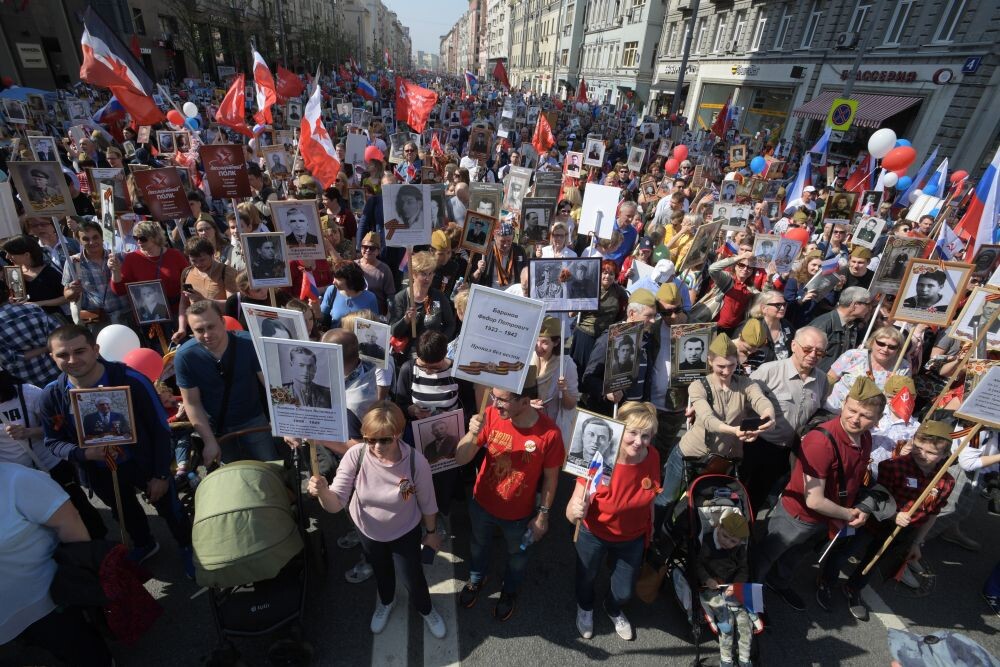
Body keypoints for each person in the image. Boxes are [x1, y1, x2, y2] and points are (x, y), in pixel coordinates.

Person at [40, 325, 193, 573]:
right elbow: (52, 441)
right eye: (63, 355)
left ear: (95, 349)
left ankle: (187, 546)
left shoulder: (131, 380)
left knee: (170, 508)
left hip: (143, 462)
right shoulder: (52, 395)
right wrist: (84, 453)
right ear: (52, 357)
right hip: (99, 470)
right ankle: (144, 544)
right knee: (124, 513)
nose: (72, 360)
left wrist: (161, 474)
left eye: (80, 351)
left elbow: (160, 429)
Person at [306, 401, 447, 638]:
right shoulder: (355, 455)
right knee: (382, 572)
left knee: (413, 577)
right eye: (370, 439)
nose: (377, 446)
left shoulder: (416, 462)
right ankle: (387, 601)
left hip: (405, 530)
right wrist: (323, 492)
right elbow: (335, 504)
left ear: (399, 433)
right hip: (368, 531)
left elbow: (428, 502)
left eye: (385, 440)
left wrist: (431, 533)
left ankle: (426, 608)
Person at [754, 377, 884, 612]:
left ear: (878, 419)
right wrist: (849, 514)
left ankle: (777, 582)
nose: (855, 419)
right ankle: (750, 600)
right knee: (766, 556)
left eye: (865, 415)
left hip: (828, 516)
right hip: (798, 517)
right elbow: (813, 499)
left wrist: (860, 508)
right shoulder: (821, 441)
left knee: (797, 554)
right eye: (852, 410)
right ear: (844, 403)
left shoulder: (865, 437)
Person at [452, 369, 564, 621]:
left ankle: (510, 590)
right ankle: (477, 577)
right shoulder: (490, 415)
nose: (495, 404)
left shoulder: (550, 434)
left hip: (519, 515)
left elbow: (551, 478)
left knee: (517, 556)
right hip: (481, 504)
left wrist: (543, 516)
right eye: (493, 396)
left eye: (502, 399)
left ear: (525, 401)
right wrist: (472, 433)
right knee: (478, 545)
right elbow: (460, 459)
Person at [841, 421, 957, 621]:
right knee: (847, 550)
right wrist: (894, 515)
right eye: (918, 447)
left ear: (946, 455)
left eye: (930, 452)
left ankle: (853, 588)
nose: (922, 454)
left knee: (874, 561)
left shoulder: (946, 481)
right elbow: (877, 497)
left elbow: (932, 514)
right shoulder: (894, 466)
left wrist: (917, 542)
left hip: (902, 532)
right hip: (874, 522)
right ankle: (825, 580)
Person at [0, 463, 114, 666]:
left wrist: (85, 584)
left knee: (81, 651)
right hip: (7, 621)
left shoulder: (18, 480)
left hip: (47, 603)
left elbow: (70, 522)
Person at [566, 402, 661, 641]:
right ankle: (585, 607)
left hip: (632, 537)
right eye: (633, 432)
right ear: (619, 429)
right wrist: (575, 510)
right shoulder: (599, 458)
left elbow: (651, 496)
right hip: (594, 533)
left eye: (646, 436)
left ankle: (612, 606)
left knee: (624, 591)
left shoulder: (653, 456)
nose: (638, 442)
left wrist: (651, 527)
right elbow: (571, 509)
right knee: (586, 577)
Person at [660, 334, 776, 504]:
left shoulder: (746, 384)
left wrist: (768, 415)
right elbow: (708, 420)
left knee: (706, 505)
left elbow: (761, 401)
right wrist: (735, 431)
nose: (727, 371)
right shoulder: (698, 386)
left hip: (723, 461)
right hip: (690, 456)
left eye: (732, 365)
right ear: (710, 361)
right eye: (721, 366)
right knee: (668, 500)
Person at [173, 300, 276, 464]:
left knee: (270, 468)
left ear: (222, 322)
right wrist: (209, 441)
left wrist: (287, 424)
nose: (207, 334)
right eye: (199, 330)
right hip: (216, 428)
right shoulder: (185, 357)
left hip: (254, 421)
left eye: (211, 326)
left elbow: (272, 386)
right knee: (230, 475)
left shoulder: (248, 344)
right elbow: (192, 403)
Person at [744, 327, 829, 511]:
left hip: (787, 453)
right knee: (739, 493)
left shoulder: (822, 380)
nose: (813, 355)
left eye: (819, 352)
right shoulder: (769, 371)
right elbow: (741, 402)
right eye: (808, 349)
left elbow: (819, 412)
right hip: (756, 445)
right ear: (793, 346)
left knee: (759, 498)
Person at [582, 289, 659, 416]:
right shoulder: (608, 339)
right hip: (613, 413)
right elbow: (589, 378)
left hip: (637, 415)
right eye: (649, 316)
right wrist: (606, 392)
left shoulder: (646, 339)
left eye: (654, 316)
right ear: (632, 313)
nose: (653, 321)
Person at [696, 510, 757, 667]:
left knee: (744, 621)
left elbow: (743, 569)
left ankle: (744, 658)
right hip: (711, 585)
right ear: (719, 527)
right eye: (724, 536)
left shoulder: (739, 549)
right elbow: (698, 564)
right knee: (726, 622)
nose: (727, 542)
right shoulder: (708, 542)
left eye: (733, 541)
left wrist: (737, 584)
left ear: (740, 542)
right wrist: (706, 578)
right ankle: (726, 659)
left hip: (730, 585)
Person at [824, 326, 910, 414]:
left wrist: (891, 389)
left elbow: (903, 400)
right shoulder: (853, 355)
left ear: (898, 349)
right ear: (872, 342)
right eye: (881, 343)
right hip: (834, 410)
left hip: (870, 417)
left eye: (892, 347)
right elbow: (829, 379)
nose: (885, 349)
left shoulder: (903, 367)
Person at [388, 251, 456, 357]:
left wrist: (440, 342)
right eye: (423, 274)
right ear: (414, 274)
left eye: (430, 273)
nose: (427, 278)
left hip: (431, 354)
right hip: (407, 355)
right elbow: (394, 331)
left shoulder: (439, 297)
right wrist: (406, 319)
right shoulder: (401, 298)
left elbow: (450, 324)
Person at [0, 280, 61, 385]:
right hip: (56, 372)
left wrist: (43, 349)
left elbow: (11, 359)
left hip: (25, 384)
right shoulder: (33, 308)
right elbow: (60, 335)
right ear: (10, 292)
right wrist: (46, 348)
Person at [807, 287, 872, 373]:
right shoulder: (823, 324)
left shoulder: (852, 326)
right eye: (868, 304)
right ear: (855, 305)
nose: (870, 308)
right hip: (818, 377)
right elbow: (805, 354)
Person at [320, 260, 379, 329]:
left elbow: (374, 326)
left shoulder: (370, 298)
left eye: (338, 279)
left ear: (350, 280)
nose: (333, 282)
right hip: (335, 335)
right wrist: (316, 309)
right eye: (334, 277)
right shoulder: (332, 290)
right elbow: (323, 318)